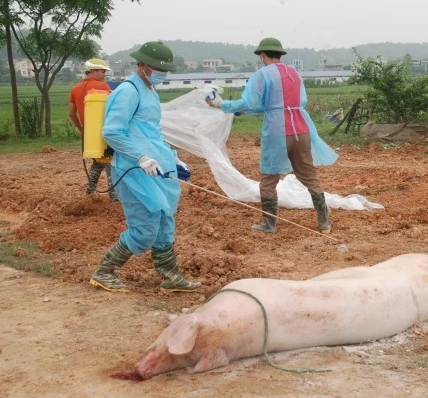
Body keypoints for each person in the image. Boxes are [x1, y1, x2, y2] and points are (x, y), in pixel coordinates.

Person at [89, 41, 200, 293]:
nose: (162, 73)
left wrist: (173, 158)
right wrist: (141, 157)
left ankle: (170, 276)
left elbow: (152, 133)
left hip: (155, 168)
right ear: (142, 65)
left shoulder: (150, 90)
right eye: (156, 68)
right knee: (144, 227)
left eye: (165, 70)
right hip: (133, 171)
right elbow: (112, 132)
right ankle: (104, 272)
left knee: (163, 220)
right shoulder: (128, 91)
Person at [207, 37, 338, 234]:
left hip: (277, 131)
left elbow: (249, 102)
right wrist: (241, 110)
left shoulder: (262, 75)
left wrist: (222, 105)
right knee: (309, 175)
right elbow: (299, 101)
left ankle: (269, 224)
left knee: (269, 178)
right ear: (280, 54)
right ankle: (324, 222)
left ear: (262, 55)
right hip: (301, 129)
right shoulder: (294, 73)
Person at [68, 58, 118, 202]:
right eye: (102, 71)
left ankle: (90, 193)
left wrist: (81, 129)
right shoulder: (102, 86)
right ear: (93, 71)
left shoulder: (75, 89)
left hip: (89, 133)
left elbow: (71, 113)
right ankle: (114, 198)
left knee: (97, 162)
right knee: (110, 162)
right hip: (104, 131)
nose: (104, 74)